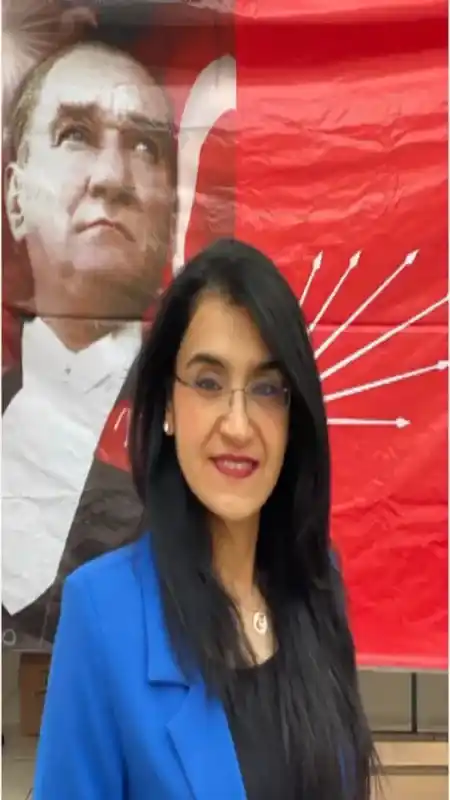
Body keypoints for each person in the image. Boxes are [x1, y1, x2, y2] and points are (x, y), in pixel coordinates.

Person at [33, 238, 377, 799]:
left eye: (266, 389)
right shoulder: (103, 613)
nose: (238, 425)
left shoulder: (317, 584)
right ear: (168, 405)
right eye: (209, 383)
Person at [2, 37, 176, 644]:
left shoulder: (202, 425)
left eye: (145, 147)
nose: (112, 178)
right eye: (75, 134)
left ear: (171, 213)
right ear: (15, 197)